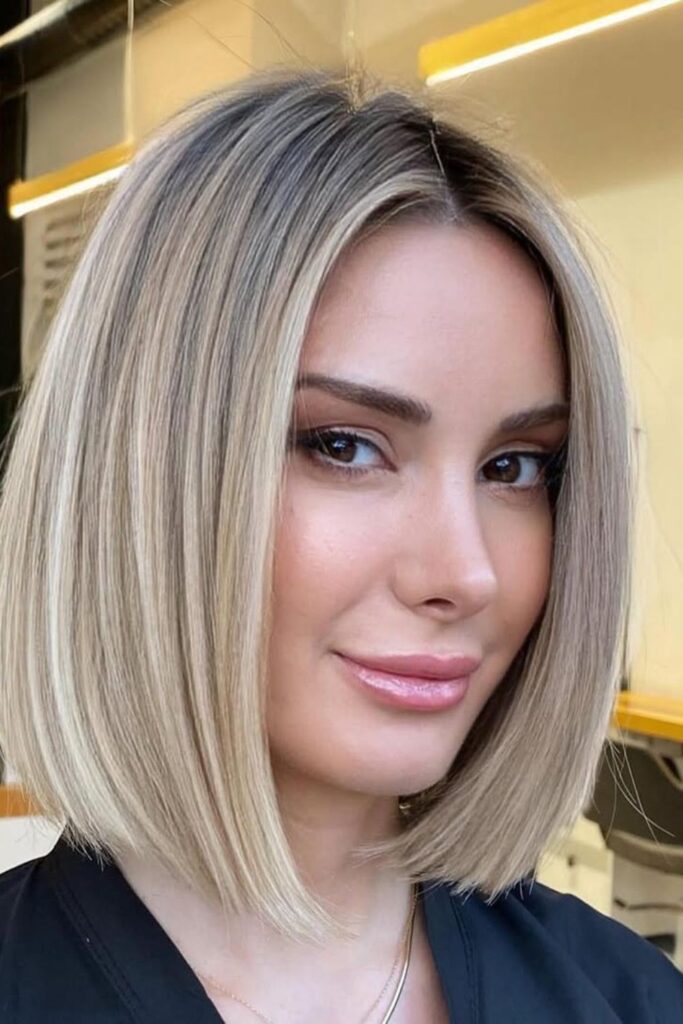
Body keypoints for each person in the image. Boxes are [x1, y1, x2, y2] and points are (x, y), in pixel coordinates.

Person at [0, 68, 680, 1024]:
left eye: (515, 467)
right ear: (143, 479)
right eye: (344, 446)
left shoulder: (628, 999)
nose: (467, 573)